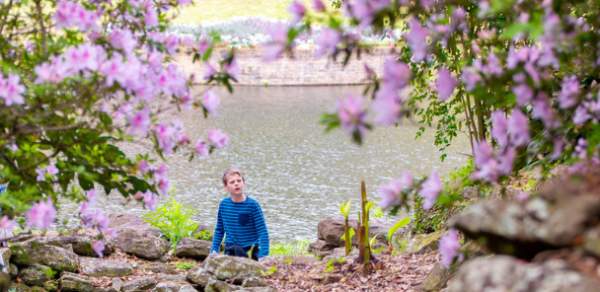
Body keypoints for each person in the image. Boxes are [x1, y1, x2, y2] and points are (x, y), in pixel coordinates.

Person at [210, 168, 269, 261]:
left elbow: (262, 231)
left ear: (243, 183)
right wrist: (214, 250)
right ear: (226, 187)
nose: (236, 184)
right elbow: (219, 230)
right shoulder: (224, 205)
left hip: (251, 249)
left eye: (239, 181)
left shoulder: (253, 205)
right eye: (232, 182)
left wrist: (264, 254)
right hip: (231, 249)